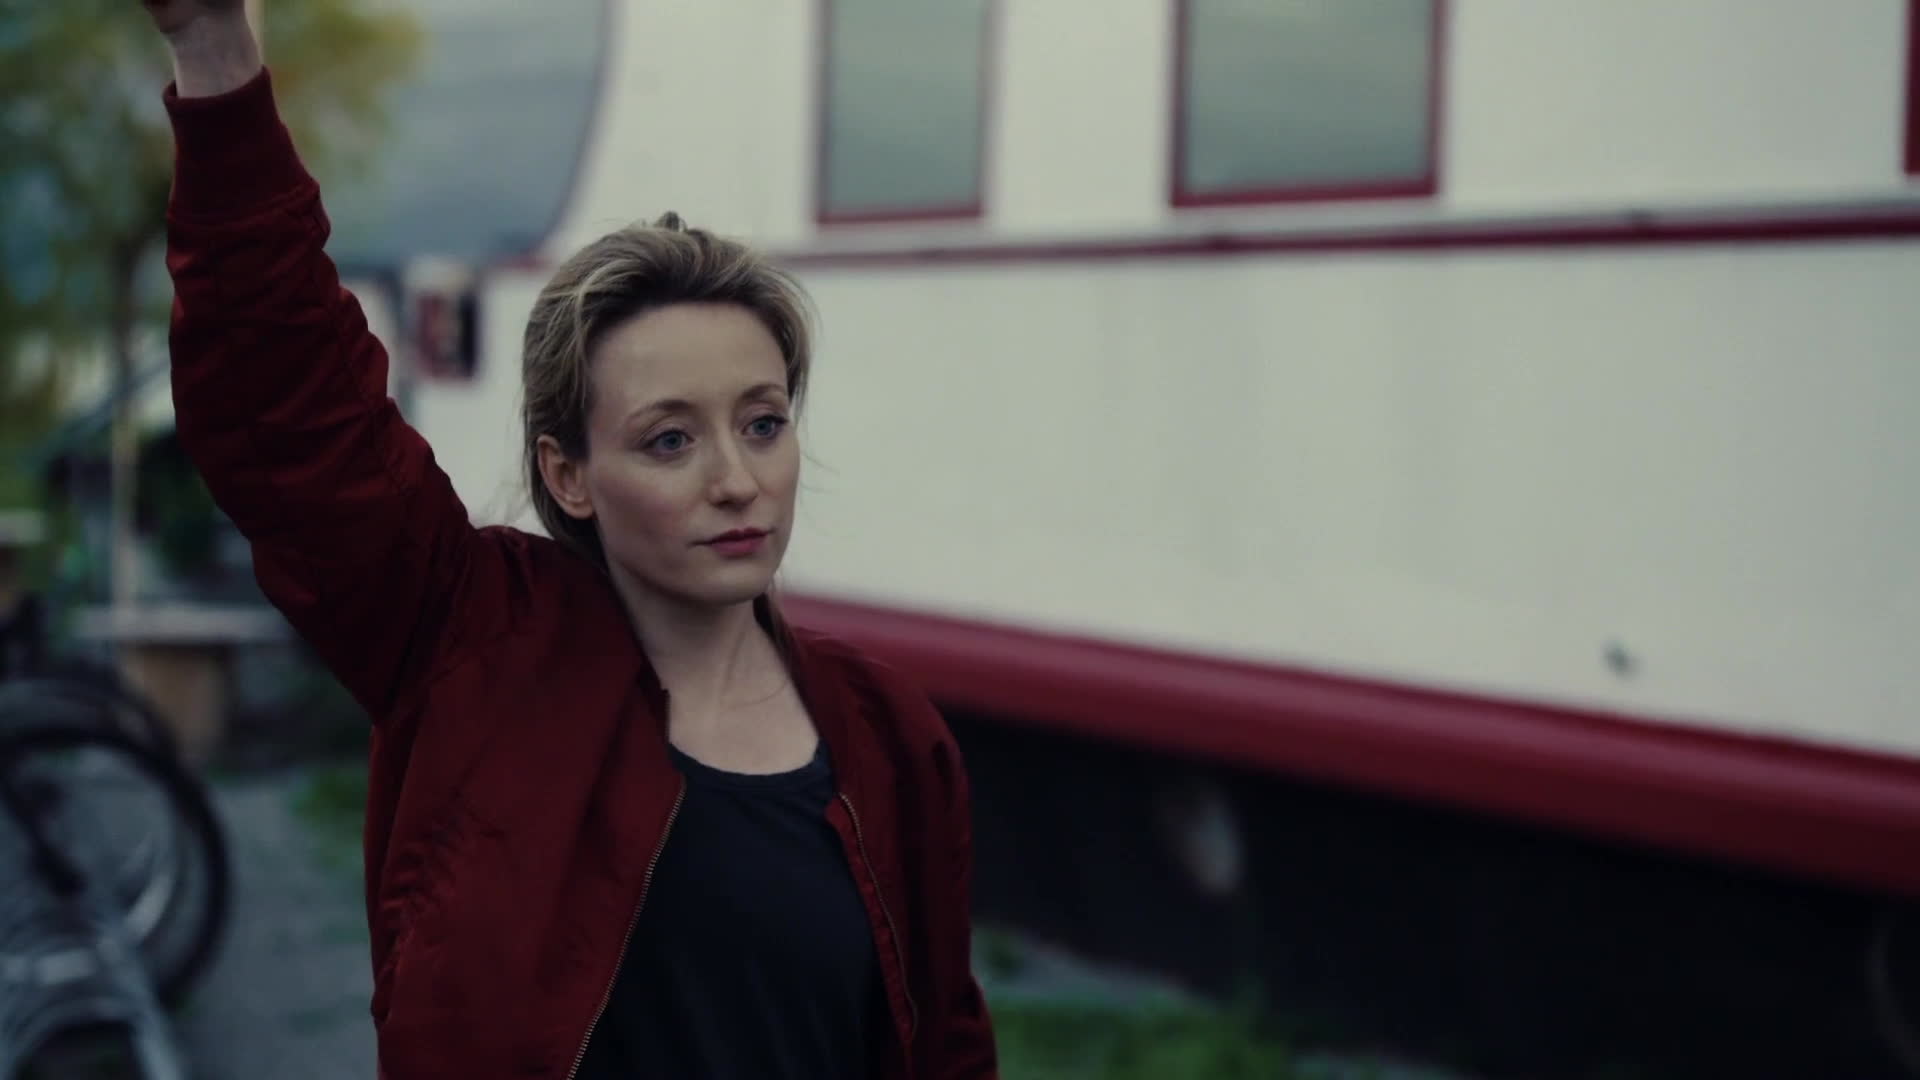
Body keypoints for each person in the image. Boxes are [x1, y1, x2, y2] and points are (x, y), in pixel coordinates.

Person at [138, 2, 1001, 1077]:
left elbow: (945, 1045)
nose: (737, 480)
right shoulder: (474, 651)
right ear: (568, 476)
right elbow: (291, 406)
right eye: (670, 439)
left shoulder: (891, 736)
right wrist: (214, 47)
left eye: (763, 423)